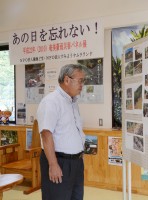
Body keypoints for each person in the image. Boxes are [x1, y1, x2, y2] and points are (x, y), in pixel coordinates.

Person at [37, 64, 86, 200]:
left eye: (83, 81)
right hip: (58, 162)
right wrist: (53, 164)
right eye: (80, 80)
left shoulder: (73, 102)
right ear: (66, 80)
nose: (82, 84)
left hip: (76, 163)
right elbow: (46, 135)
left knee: (76, 197)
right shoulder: (51, 102)